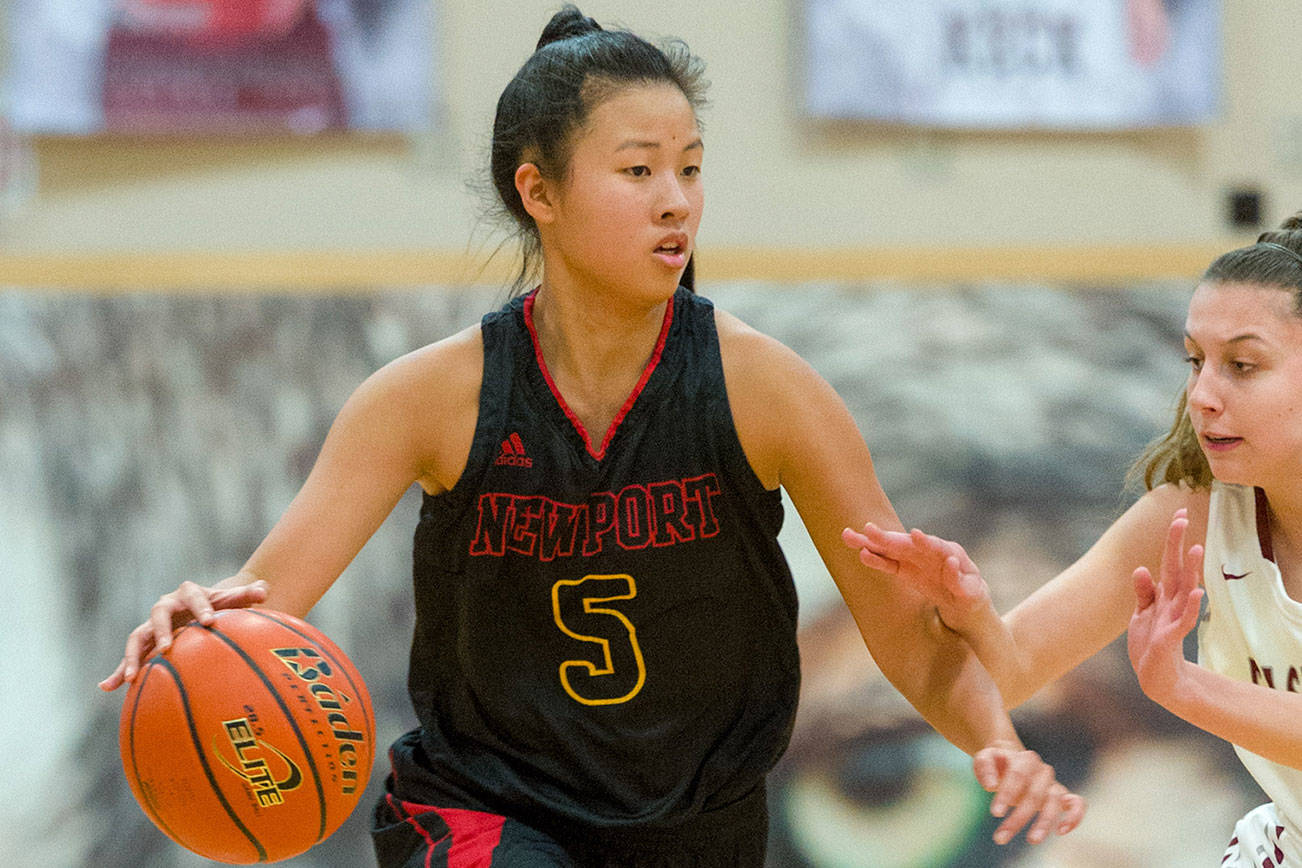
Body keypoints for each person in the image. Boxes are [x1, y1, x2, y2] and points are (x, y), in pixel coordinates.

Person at [99, 6, 1083, 865]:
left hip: (700, 825)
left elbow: (907, 642)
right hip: (487, 811)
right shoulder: (428, 398)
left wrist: (993, 733)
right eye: (638, 169)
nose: (676, 199)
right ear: (540, 192)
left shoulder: (768, 391)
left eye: (690, 169)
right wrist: (202, 626)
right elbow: (271, 602)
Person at [844, 212, 1302, 866]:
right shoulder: (1191, 512)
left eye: (1244, 365)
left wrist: (1183, 686)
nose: (1202, 395)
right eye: (1198, 362)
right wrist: (967, 613)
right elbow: (1012, 668)